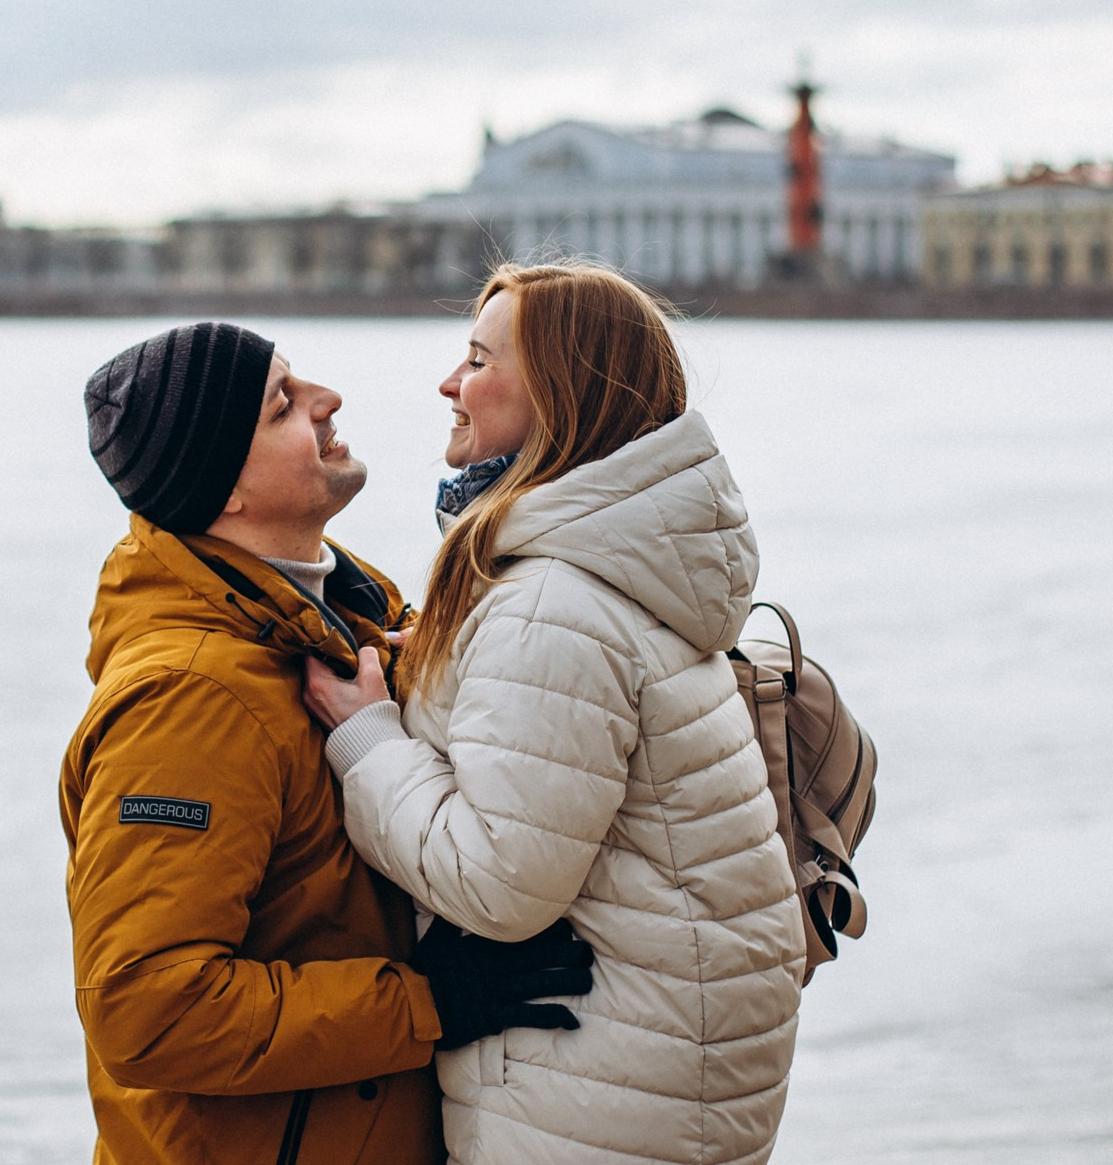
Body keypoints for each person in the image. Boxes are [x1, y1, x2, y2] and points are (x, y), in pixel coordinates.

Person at [304, 267, 808, 1165]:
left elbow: (500, 882)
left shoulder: (551, 604)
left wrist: (368, 740)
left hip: (591, 1091)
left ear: (560, 394)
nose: (449, 385)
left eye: (477, 359)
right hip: (653, 1063)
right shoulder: (619, 565)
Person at [64, 321, 595, 1165]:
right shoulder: (191, 701)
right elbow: (148, 1008)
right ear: (224, 490)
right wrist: (427, 1004)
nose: (326, 400)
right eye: (282, 405)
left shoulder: (347, 622)